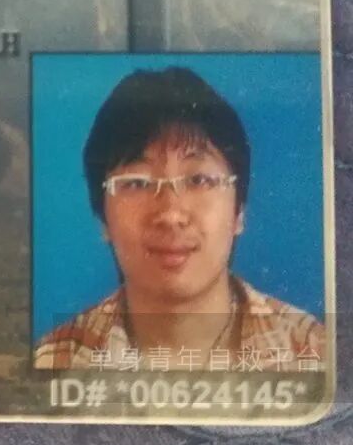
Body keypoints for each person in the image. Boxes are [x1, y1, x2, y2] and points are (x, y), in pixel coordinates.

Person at [34, 67, 325, 371]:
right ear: (103, 217)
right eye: (137, 183)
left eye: (199, 180)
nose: (171, 214)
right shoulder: (53, 362)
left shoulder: (315, 354)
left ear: (239, 211)